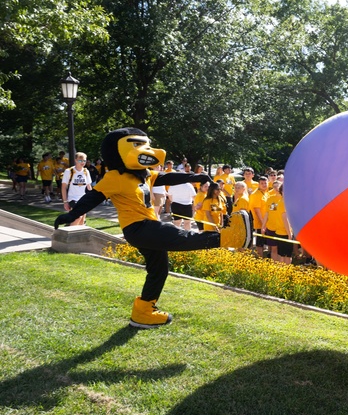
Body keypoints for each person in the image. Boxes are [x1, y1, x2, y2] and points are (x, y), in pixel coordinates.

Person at [54, 127, 251, 329]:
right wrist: (71, 214)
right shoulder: (115, 177)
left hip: (149, 225)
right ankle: (227, 238)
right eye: (138, 145)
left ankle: (143, 313)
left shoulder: (144, 175)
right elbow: (92, 197)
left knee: (159, 270)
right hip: (137, 228)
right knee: (180, 236)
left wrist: (195, 177)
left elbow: (167, 178)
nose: (145, 150)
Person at [262, 182, 293, 264]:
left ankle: (283, 272)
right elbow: (285, 218)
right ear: (282, 191)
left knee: (283, 255)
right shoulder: (283, 203)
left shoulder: (281, 202)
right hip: (284, 232)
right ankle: (285, 273)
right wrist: (289, 234)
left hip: (280, 231)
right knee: (286, 256)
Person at [61, 153, 93, 226]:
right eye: (80, 160)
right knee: (78, 216)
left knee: (82, 220)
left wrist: (92, 200)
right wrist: (65, 202)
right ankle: (69, 232)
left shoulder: (86, 171)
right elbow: (63, 187)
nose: (82, 162)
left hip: (83, 199)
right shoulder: (69, 171)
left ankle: (78, 234)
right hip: (73, 198)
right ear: (75, 160)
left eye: (84, 161)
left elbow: (89, 186)